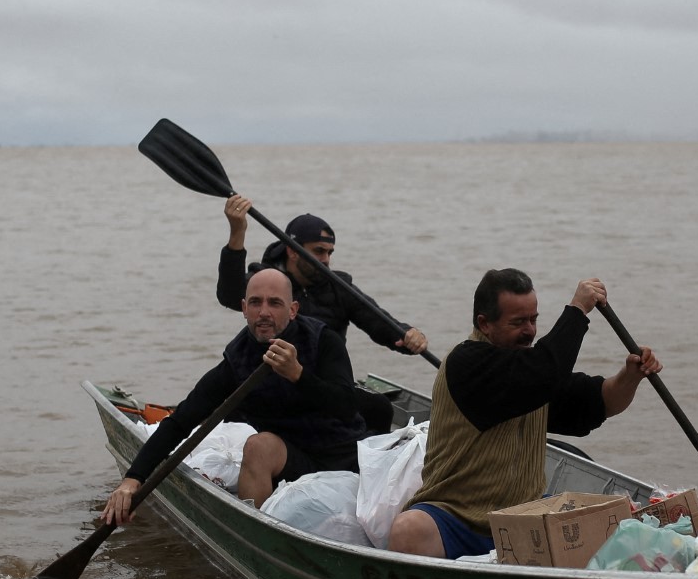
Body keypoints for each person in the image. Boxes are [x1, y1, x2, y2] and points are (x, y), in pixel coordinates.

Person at [385, 269, 661, 559]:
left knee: (608, 520)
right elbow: (543, 373)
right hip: (458, 519)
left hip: (523, 516)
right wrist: (577, 310)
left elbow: (598, 403)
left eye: (533, 319)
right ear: (485, 324)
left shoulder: (534, 372)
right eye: (518, 322)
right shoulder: (467, 363)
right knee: (408, 529)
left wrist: (631, 376)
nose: (530, 330)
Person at [102, 267, 365, 521]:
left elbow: (345, 407)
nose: (264, 312)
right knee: (258, 446)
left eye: (275, 303)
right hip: (289, 461)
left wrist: (298, 375)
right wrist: (133, 479)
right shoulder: (238, 360)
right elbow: (181, 421)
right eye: (255, 303)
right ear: (243, 309)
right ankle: (259, 532)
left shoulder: (323, 341)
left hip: (339, 457)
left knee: (261, 444)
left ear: (293, 310)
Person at [216, 198, 427, 433]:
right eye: (318, 251)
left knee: (379, 408)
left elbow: (377, 321)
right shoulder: (268, 283)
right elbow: (229, 295)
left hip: (322, 387)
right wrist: (237, 232)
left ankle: (363, 463)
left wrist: (408, 336)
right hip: (271, 383)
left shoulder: (338, 287)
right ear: (292, 251)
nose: (326, 259)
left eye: (329, 252)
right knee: (235, 412)